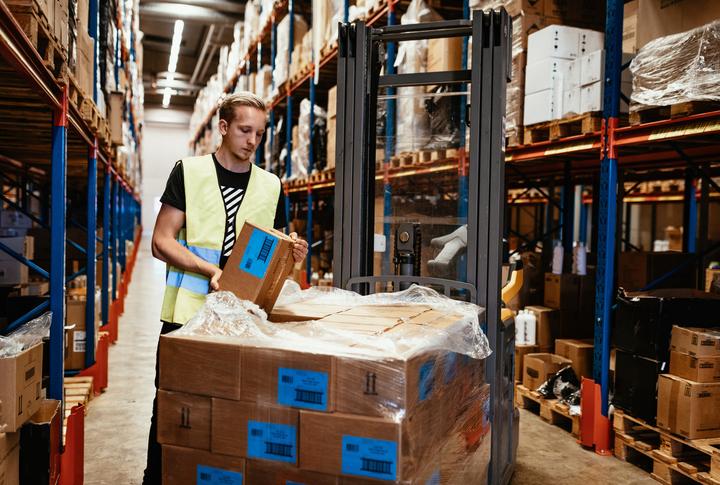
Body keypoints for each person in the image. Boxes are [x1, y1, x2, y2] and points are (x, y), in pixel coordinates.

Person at [143, 92, 308, 484]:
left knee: (236, 410)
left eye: (260, 134)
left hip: (244, 322)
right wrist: (210, 271)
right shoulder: (189, 171)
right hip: (186, 318)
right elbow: (161, 241)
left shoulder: (271, 185)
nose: (253, 140)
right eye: (245, 130)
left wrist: (293, 254)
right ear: (223, 128)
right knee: (172, 408)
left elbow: (272, 254)